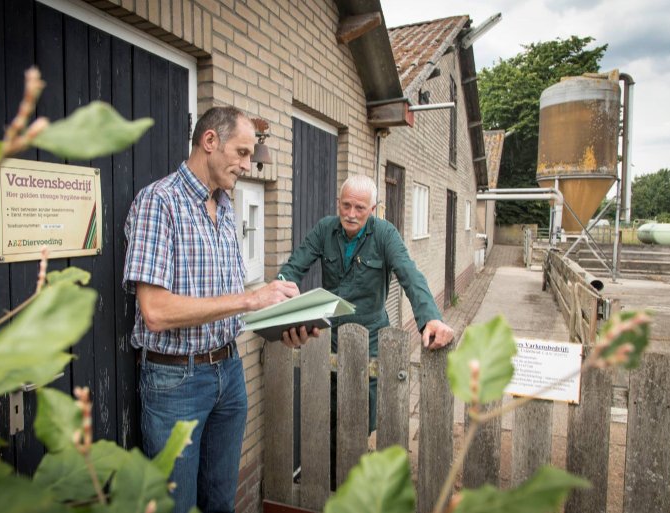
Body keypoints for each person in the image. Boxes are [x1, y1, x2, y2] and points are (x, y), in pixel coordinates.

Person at [123, 106, 314, 513]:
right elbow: (155, 310)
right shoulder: (160, 203)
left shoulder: (225, 207)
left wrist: (284, 319)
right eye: (242, 153)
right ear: (209, 141)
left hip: (229, 373)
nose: (248, 165)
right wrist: (251, 299)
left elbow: (227, 298)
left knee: (221, 502)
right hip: (176, 380)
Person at [277, 174, 454, 485]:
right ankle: (332, 482)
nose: (351, 214)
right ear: (338, 203)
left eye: (360, 207)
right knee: (329, 408)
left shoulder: (385, 234)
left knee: (364, 415)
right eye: (346, 205)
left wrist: (430, 318)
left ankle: (361, 475)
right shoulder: (324, 229)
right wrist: (278, 297)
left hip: (371, 337)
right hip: (329, 336)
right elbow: (294, 266)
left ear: (374, 208)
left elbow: (409, 274)